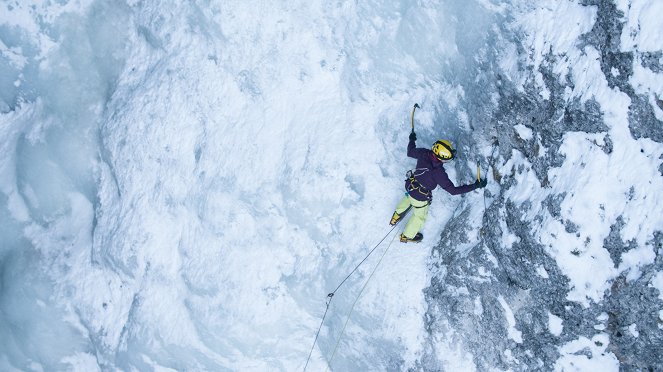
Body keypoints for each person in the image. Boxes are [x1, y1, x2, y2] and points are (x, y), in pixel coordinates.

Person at [390, 131, 487, 243]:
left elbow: (410, 152)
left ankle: (396, 216)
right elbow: (453, 191)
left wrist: (412, 139)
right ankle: (406, 236)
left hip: (410, 185)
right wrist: (475, 186)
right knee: (419, 217)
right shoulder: (438, 173)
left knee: (408, 198)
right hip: (420, 197)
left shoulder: (424, 153)